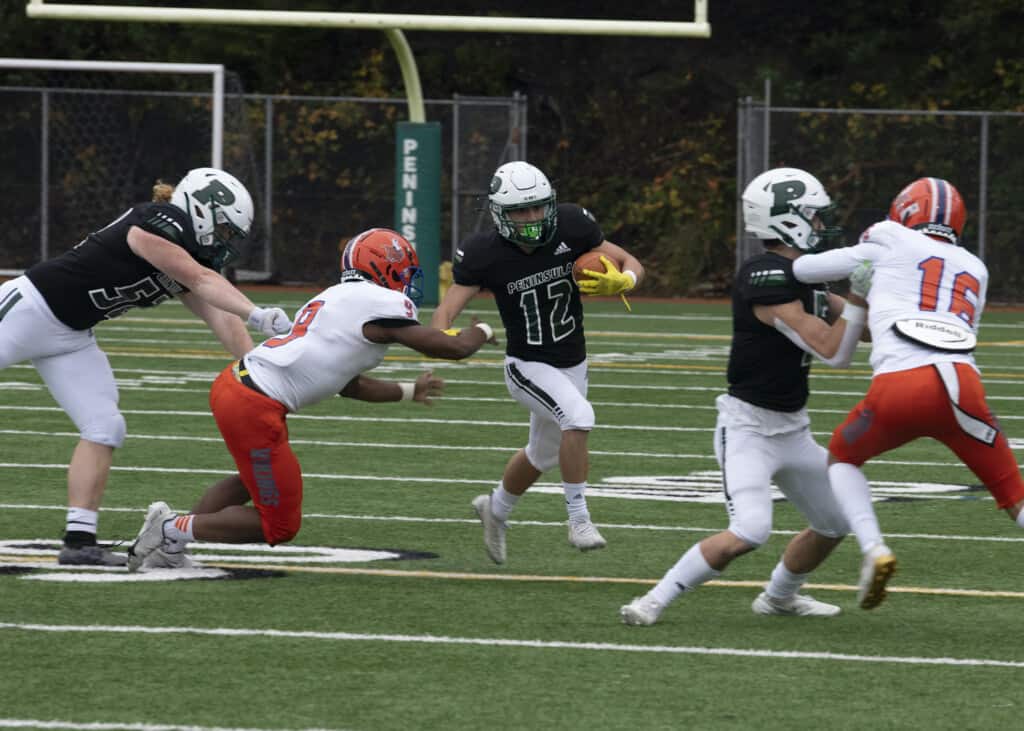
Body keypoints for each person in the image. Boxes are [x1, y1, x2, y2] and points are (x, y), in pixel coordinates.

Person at [126, 228, 498, 570]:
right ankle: (170, 529)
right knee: (279, 525)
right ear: (384, 267)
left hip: (239, 386)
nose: (407, 281)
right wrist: (482, 329)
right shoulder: (378, 303)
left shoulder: (334, 298)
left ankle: (168, 545)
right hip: (255, 402)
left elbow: (348, 384)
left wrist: (407, 391)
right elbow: (454, 348)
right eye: (403, 271)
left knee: (252, 480)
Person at [0, 167, 291, 566]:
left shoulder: (190, 254)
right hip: (30, 307)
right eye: (224, 230)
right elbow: (201, 279)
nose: (225, 242)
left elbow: (220, 316)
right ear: (201, 211)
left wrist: (258, 372)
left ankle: (79, 541)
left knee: (105, 425)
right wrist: (258, 313)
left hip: (70, 336)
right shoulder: (159, 221)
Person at [621, 167, 872, 626]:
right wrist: (859, 292)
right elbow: (834, 351)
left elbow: (867, 329)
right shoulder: (765, 277)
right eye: (814, 218)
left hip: (793, 428)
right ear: (786, 219)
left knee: (836, 520)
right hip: (749, 428)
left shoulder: (804, 275)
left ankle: (779, 597)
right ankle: (652, 601)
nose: (822, 227)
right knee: (751, 529)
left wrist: (894, 301)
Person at [791, 177, 1024, 609]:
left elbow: (804, 271)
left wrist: (853, 282)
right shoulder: (975, 266)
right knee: (1013, 494)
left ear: (906, 211)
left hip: (903, 383)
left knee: (843, 458)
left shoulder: (889, 237)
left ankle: (874, 548)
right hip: (964, 387)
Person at [430, 161, 644, 564]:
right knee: (578, 417)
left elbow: (632, 262)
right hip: (527, 365)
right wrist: (449, 338)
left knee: (543, 454)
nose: (531, 218)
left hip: (572, 361)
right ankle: (578, 519)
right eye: (519, 211)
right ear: (499, 213)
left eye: (537, 207)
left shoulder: (572, 225)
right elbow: (444, 316)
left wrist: (624, 281)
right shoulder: (484, 252)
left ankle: (495, 509)